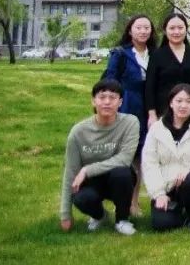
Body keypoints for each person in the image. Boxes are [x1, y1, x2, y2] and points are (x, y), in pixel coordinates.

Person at [59, 79, 140, 235]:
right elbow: (70, 172)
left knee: (122, 173)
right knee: (82, 198)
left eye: (112, 97)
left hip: (118, 178)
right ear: (93, 101)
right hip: (91, 182)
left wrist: (87, 170)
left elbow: (124, 159)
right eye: (102, 97)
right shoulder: (78, 132)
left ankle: (122, 220)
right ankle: (100, 216)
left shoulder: (130, 122)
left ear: (120, 102)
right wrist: (65, 214)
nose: (107, 102)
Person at [141, 83, 190, 234]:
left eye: (189, 101)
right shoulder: (157, 129)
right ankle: (181, 214)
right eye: (179, 101)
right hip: (166, 185)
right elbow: (149, 164)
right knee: (162, 224)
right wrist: (159, 194)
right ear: (171, 103)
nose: (183, 105)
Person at [102, 13, 157, 216]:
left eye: (146, 28)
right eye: (138, 27)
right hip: (126, 106)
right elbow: (110, 80)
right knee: (122, 155)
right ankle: (117, 201)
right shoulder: (121, 54)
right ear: (130, 30)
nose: (143, 31)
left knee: (140, 156)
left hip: (148, 107)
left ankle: (134, 203)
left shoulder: (155, 53)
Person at [145, 13, 190, 121]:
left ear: (186, 29)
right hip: (163, 111)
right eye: (172, 28)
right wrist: (152, 114)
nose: (176, 32)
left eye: (180, 28)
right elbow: (150, 87)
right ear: (165, 31)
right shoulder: (157, 55)